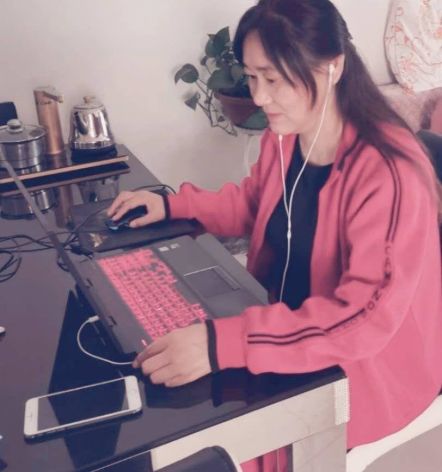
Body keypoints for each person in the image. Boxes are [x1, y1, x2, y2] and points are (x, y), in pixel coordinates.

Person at [108, 0, 442, 470]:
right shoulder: (286, 136)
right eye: (252, 77)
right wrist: (173, 205)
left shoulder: (390, 172)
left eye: (274, 79)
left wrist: (220, 345)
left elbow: (362, 321)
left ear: (333, 66)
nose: (260, 97)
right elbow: (255, 205)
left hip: (360, 374)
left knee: (201, 450)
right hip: (287, 332)